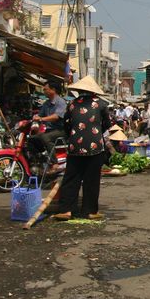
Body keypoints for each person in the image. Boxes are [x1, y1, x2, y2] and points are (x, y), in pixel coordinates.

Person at [53, 76, 112, 221]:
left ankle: (66, 210)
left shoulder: (72, 104)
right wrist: (95, 131)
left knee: (71, 178)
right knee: (91, 179)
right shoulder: (101, 104)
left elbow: (66, 124)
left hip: (75, 146)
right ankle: (90, 211)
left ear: (79, 91)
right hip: (95, 147)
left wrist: (73, 135)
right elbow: (107, 124)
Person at [29, 80, 67, 163]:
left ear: (53, 90)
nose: (44, 91)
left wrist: (41, 119)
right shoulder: (46, 103)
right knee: (31, 139)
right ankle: (40, 160)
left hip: (61, 131)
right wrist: (35, 121)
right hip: (49, 131)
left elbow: (56, 117)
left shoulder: (61, 102)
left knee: (45, 137)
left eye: (45, 89)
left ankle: (55, 163)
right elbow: (39, 115)